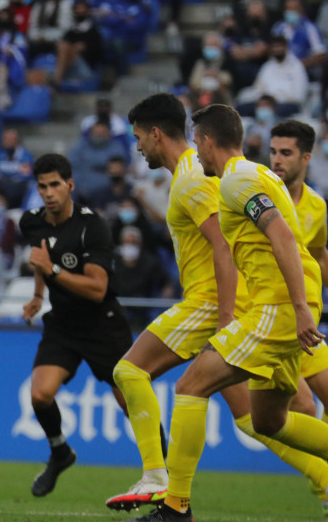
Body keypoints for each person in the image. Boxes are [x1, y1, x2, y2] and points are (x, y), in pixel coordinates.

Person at [108, 94, 328, 513]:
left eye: (197, 140)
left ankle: (171, 500)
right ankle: (323, 477)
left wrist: (288, 309)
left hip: (268, 307)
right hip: (273, 305)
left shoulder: (228, 180)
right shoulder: (259, 174)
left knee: (182, 384)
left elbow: (269, 239)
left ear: (207, 141)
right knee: (264, 421)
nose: (194, 149)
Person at [19, 153, 133, 498]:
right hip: (63, 324)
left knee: (132, 401)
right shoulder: (32, 222)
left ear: (70, 185)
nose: (49, 192)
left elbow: (98, 290)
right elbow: (41, 258)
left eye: (55, 184)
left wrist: (52, 272)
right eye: (43, 186)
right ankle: (60, 452)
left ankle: (166, 470)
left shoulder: (92, 226)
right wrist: (39, 295)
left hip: (103, 324)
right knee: (39, 394)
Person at [269, 121, 328, 416]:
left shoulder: (317, 206)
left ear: (306, 158)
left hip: (304, 324)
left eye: (286, 153)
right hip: (269, 318)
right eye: (273, 151)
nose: (276, 159)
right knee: (303, 407)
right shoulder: (257, 199)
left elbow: (318, 256)